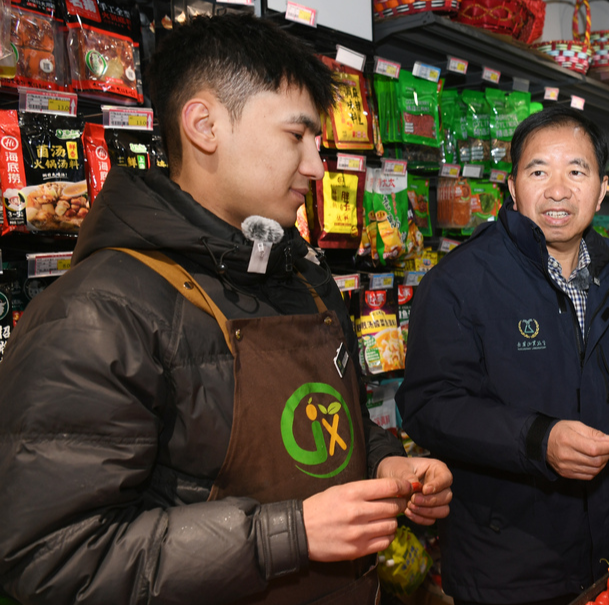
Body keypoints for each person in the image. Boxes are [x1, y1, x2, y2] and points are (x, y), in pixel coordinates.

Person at [0, 14, 452, 604]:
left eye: (317, 142)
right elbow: (53, 558)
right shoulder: (98, 313)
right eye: (296, 137)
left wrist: (386, 465)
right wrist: (287, 535)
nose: (316, 166)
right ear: (204, 126)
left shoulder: (306, 278)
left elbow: (328, 425)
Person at [397, 105, 609, 605]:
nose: (558, 191)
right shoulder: (459, 282)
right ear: (512, 187)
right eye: (539, 172)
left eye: (576, 172)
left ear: (602, 189)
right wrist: (540, 439)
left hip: (605, 553)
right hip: (506, 565)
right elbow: (430, 406)